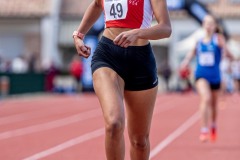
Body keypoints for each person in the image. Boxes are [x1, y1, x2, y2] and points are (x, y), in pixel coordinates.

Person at [73, 0, 171, 159]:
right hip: (108, 55)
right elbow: (97, 4)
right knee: (114, 123)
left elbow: (166, 28)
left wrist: (137, 33)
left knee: (140, 141)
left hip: (140, 60)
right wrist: (79, 35)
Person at [180, 15, 233, 143]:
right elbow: (191, 53)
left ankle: (213, 125)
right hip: (201, 75)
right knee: (206, 98)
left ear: (215, 26)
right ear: (203, 25)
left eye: (211, 24)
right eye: (206, 23)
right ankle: (204, 129)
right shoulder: (199, 41)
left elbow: (230, 56)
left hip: (215, 77)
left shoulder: (218, 40)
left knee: (214, 105)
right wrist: (185, 62)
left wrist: (224, 48)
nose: (208, 26)